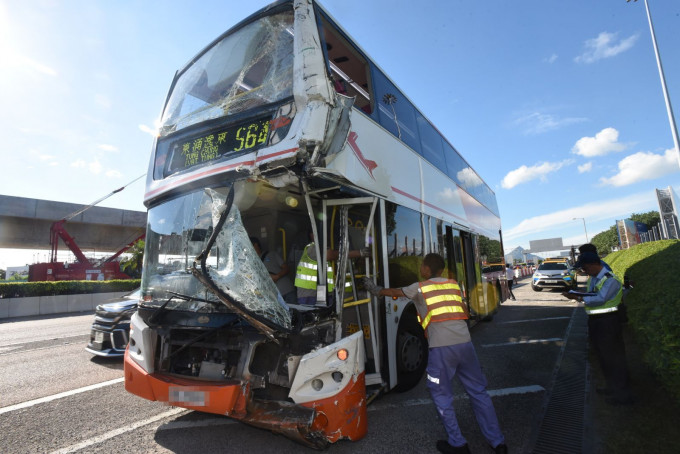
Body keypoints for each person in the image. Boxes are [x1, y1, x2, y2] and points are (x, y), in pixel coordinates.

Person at [363, 253, 507, 454]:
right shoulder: (453, 285)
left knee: (440, 393)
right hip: (465, 345)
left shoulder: (420, 287)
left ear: (426, 269)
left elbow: (394, 292)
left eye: (422, 266)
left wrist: (375, 289)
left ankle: (458, 443)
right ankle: (498, 442)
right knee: (478, 392)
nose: (420, 268)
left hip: (441, 349)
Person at [562, 251, 633, 405]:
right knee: (603, 357)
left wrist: (577, 297)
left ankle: (622, 394)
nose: (584, 272)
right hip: (597, 322)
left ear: (593, 265)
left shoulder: (610, 280)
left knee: (614, 358)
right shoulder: (594, 278)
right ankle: (612, 387)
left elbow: (600, 299)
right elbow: (592, 294)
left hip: (608, 323)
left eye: (585, 268)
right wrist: (579, 292)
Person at [295, 234, 369, 305]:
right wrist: (359, 253)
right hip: (310, 295)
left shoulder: (323, 251)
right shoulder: (312, 248)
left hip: (322, 293)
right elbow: (330, 255)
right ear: (312, 235)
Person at [250, 237, 297, 306]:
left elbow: (286, 268)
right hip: (274, 297)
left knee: (295, 315)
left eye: (251, 245)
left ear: (256, 245)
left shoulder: (271, 254)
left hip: (288, 291)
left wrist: (277, 276)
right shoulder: (252, 263)